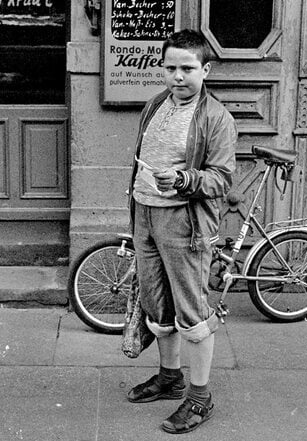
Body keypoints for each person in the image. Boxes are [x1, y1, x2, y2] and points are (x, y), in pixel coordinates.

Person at [126, 29, 237, 434]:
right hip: (145, 216)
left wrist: (185, 180)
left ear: (205, 70)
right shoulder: (156, 103)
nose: (178, 76)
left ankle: (199, 398)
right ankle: (170, 378)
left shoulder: (216, 118)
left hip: (184, 224)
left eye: (187, 68)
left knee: (192, 313)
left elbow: (222, 179)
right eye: (170, 67)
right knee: (159, 308)